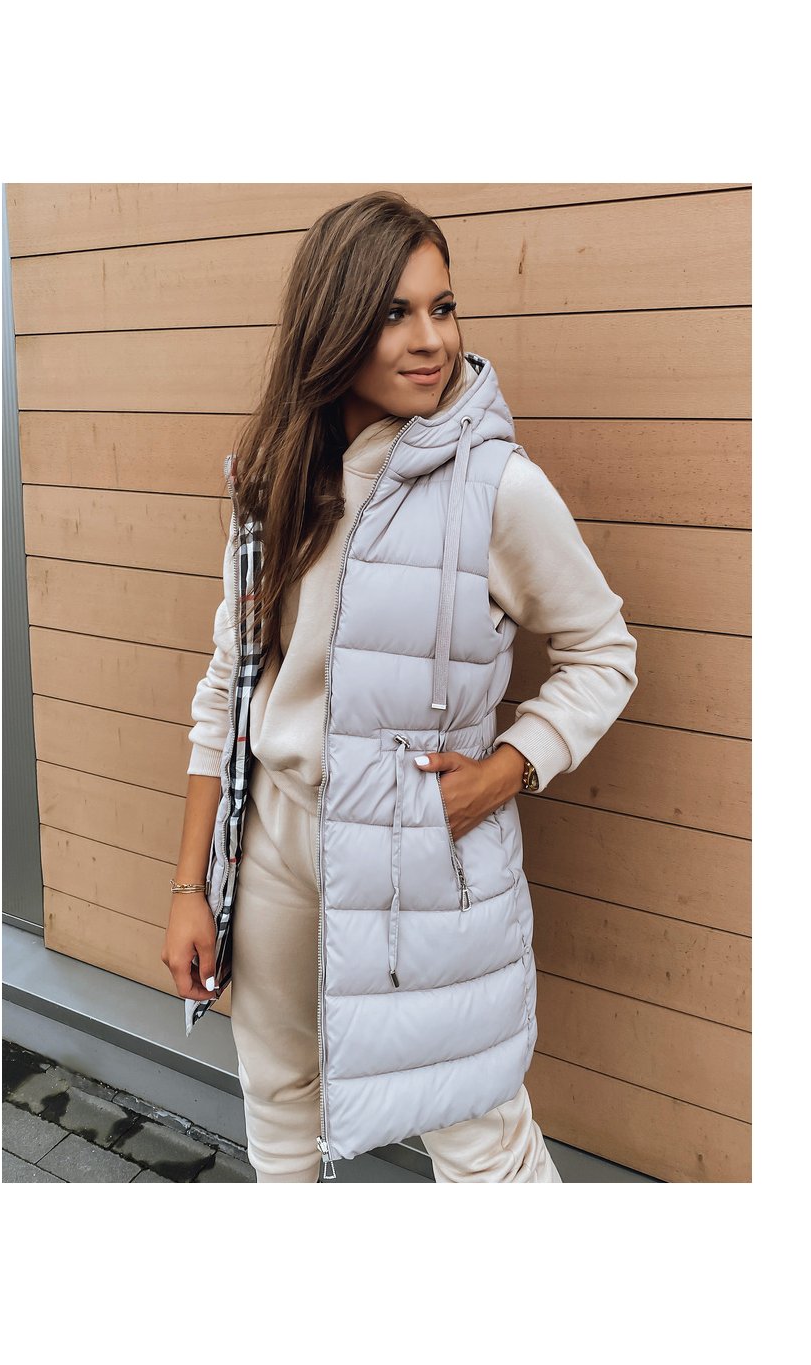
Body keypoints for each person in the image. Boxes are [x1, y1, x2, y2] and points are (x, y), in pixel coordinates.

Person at [162, 191, 638, 1183]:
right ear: (334, 325)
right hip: (276, 845)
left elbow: (604, 650)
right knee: (279, 1105)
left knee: (481, 1142)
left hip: (417, 857)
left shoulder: (495, 487)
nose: (431, 340)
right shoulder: (274, 480)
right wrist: (190, 887)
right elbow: (226, 689)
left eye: (442, 307)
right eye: (395, 313)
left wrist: (505, 770)